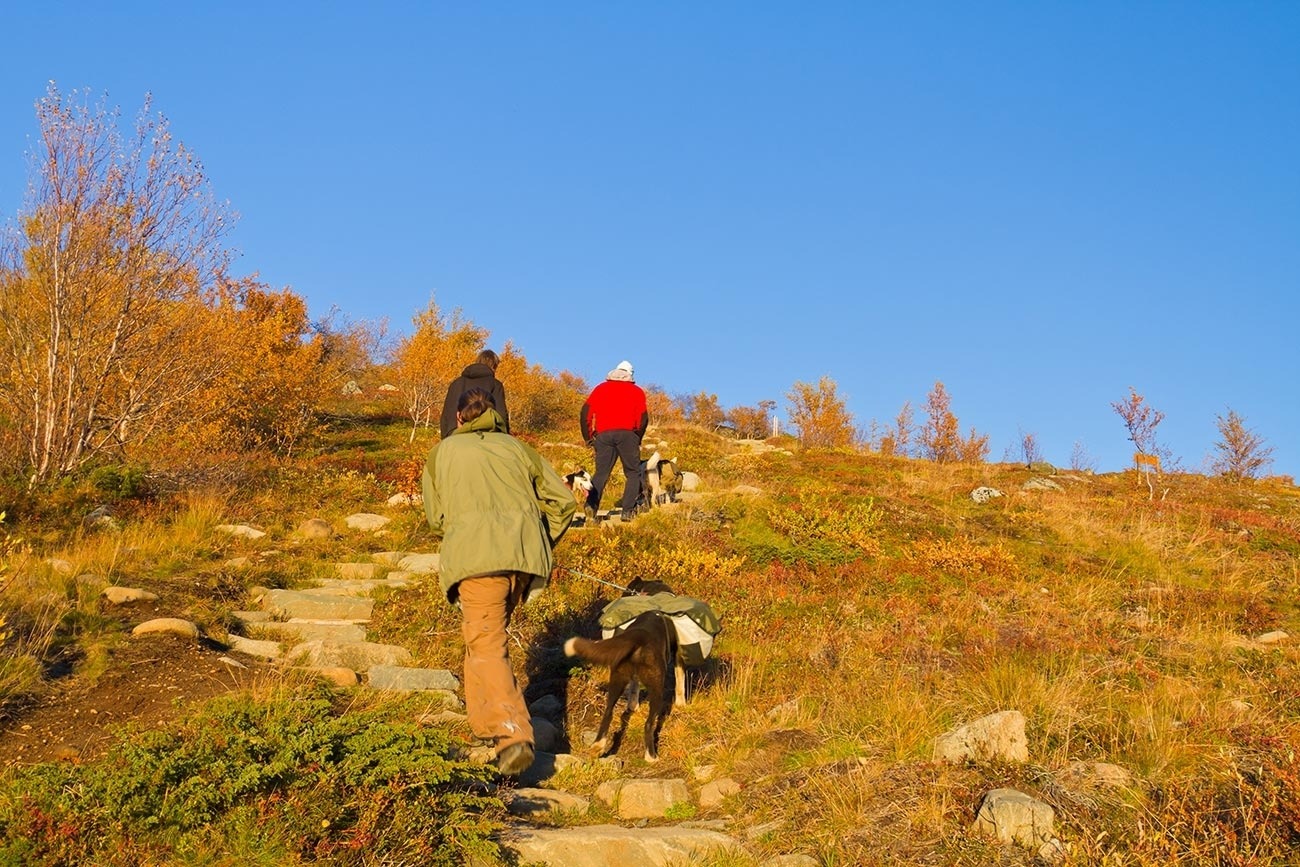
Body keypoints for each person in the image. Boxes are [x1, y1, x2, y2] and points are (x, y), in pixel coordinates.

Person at [421, 388, 576, 775]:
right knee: (482, 639)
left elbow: (435, 518)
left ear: (458, 418)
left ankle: (513, 736)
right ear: (495, 416)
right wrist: (537, 540)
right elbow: (565, 502)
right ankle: (484, 725)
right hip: (520, 563)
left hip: (477, 562)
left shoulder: (443, 452)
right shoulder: (518, 448)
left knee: (487, 644)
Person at [579, 360, 649, 522]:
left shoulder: (600, 389)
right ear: (630, 374)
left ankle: (591, 507)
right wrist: (637, 436)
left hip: (604, 435)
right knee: (632, 473)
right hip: (628, 435)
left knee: (601, 474)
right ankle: (627, 511)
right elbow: (643, 418)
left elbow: (585, 414)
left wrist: (588, 437)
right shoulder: (636, 391)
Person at [440, 349, 509, 439]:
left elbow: (447, 414)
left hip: (455, 437)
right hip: (486, 438)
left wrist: (446, 438)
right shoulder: (495, 385)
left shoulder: (456, 383)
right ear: (494, 366)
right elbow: (501, 416)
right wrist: (505, 437)